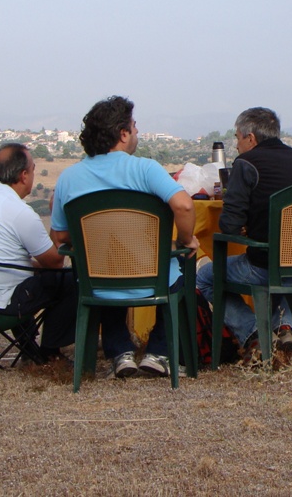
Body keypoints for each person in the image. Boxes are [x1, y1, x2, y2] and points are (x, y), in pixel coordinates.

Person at [50, 96, 199, 378]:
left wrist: (95, 233)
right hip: (152, 279)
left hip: (97, 284)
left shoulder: (69, 177)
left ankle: (121, 354)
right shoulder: (145, 169)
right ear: (122, 134)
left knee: (105, 263)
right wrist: (186, 239)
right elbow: (184, 206)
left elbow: (59, 235)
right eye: (134, 125)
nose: (137, 131)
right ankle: (159, 353)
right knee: (180, 268)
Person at [196, 107, 292, 363]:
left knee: (205, 277)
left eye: (237, 138)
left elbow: (229, 225)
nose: (237, 145)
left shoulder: (246, 163)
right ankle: (284, 329)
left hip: (267, 266)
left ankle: (254, 333)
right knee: (278, 261)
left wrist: (246, 225)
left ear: (250, 138)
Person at [0, 143, 77, 365]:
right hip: (0, 304)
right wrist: (57, 214)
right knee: (72, 281)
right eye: (32, 170)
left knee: (25, 277)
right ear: (24, 175)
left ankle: (29, 350)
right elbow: (55, 262)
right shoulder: (18, 212)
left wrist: (33, 266)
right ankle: (50, 352)